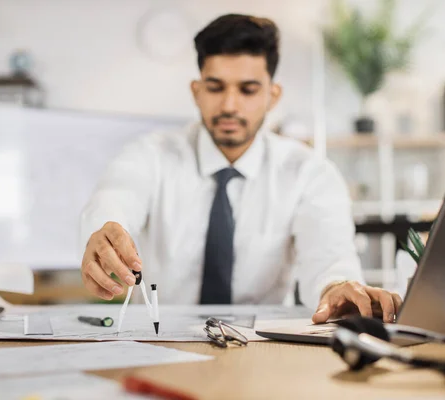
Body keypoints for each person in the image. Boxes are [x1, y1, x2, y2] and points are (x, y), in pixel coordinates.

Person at [80, 14, 402, 324]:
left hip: (261, 350)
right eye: (216, 87)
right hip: (159, 339)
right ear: (197, 91)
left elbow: (329, 254)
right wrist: (105, 231)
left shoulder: (308, 173)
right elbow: (117, 196)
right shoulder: (150, 154)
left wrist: (336, 286)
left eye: (247, 90)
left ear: (272, 96)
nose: (230, 105)